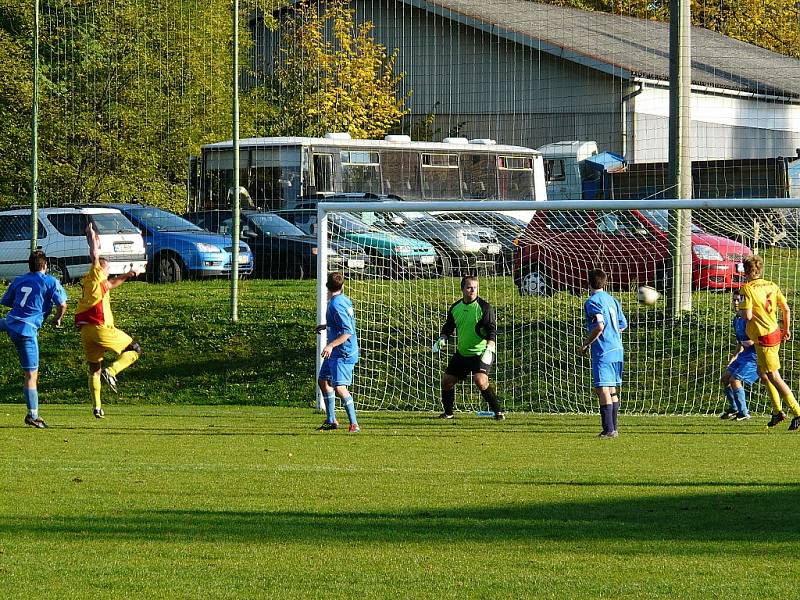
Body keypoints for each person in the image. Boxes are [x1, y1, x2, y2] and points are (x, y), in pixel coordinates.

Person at [75, 222, 142, 418]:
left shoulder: (94, 283)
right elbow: (95, 255)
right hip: (101, 327)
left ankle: (97, 407)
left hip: (87, 332)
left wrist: (128, 275)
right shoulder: (96, 275)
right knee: (135, 349)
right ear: (101, 269)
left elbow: (112, 283)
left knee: (94, 368)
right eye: (108, 269)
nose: (108, 272)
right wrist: (92, 235)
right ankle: (112, 371)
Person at [0, 251, 68, 428]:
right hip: (26, 330)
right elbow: (62, 304)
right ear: (45, 266)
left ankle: (33, 415)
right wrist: (57, 318)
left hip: (10, 322)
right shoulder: (50, 281)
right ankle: (33, 416)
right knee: (31, 375)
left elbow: (7, 301)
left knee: (5, 323)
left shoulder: (19, 280)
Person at [738, 254, 800, 430]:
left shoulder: (746, 289)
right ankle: (777, 411)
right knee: (762, 373)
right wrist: (786, 329)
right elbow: (786, 309)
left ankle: (797, 411)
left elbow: (747, 315)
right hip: (773, 332)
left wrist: (740, 312)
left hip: (764, 336)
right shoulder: (771, 285)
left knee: (774, 376)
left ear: (746, 271)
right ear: (760, 269)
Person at [433, 275, 504, 420]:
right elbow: (448, 326)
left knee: (480, 380)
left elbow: (491, 329)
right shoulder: (455, 308)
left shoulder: (484, 307)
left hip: (481, 352)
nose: (473, 290)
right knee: (447, 381)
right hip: (462, 353)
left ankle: (498, 412)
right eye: (469, 287)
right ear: (462, 289)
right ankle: (448, 414)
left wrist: (490, 347)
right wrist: (443, 338)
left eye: (475, 287)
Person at [577, 269, 627, 438]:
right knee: (611, 389)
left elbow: (599, 325)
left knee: (602, 388)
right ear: (605, 283)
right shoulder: (612, 300)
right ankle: (614, 428)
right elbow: (622, 324)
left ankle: (608, 429)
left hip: (604, 350)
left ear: (588, 282)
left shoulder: (592, 301)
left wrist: (585, 344)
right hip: (618, 348)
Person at [315, 272, 360, 432]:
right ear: (343, 286)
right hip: (335, 352)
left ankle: (354, 424)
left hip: (342, 352)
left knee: (340, 387)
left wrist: (330, 345)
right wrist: (326, 326)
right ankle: (331, 420)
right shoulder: (342, 299)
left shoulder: (335, 304)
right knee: (323, 381)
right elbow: (340, 324)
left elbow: (347, 331)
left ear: (327, 286)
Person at [719, 290, 764, 421]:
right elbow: (740, 344)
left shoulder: (749, 320)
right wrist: (733, 358)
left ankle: (744, 413)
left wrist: (750, 342)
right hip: (744, 355)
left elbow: (756, 340)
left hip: (755, 356)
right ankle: (733, 408)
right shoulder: (736, 320)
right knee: (725, 378)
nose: (736, 303)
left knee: (735, 380)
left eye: (740, 300)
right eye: (734, 300)